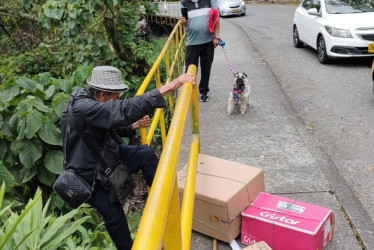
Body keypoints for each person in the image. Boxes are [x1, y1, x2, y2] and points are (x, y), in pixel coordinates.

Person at [60, 66, 195, 250]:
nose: (118, 99)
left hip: (105, 155)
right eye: (116, 95)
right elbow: (120, 110)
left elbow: (105, 123)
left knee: (145, 154)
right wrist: (170, 86)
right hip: (90, 175)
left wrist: (130, 127)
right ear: (102, 94)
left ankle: (166, 205)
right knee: (116, 220)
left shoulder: (90, 100)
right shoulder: (83, 107)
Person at [180, 0, 220, 102]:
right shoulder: (184, 3)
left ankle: (203, 92)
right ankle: (190, 92)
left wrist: (216, 36)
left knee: (206, 68)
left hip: (208, 42)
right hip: (192, 43)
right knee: (189, 70)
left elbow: (216, 18)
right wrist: (182, 22)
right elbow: (183, 23)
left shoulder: (209, 1)